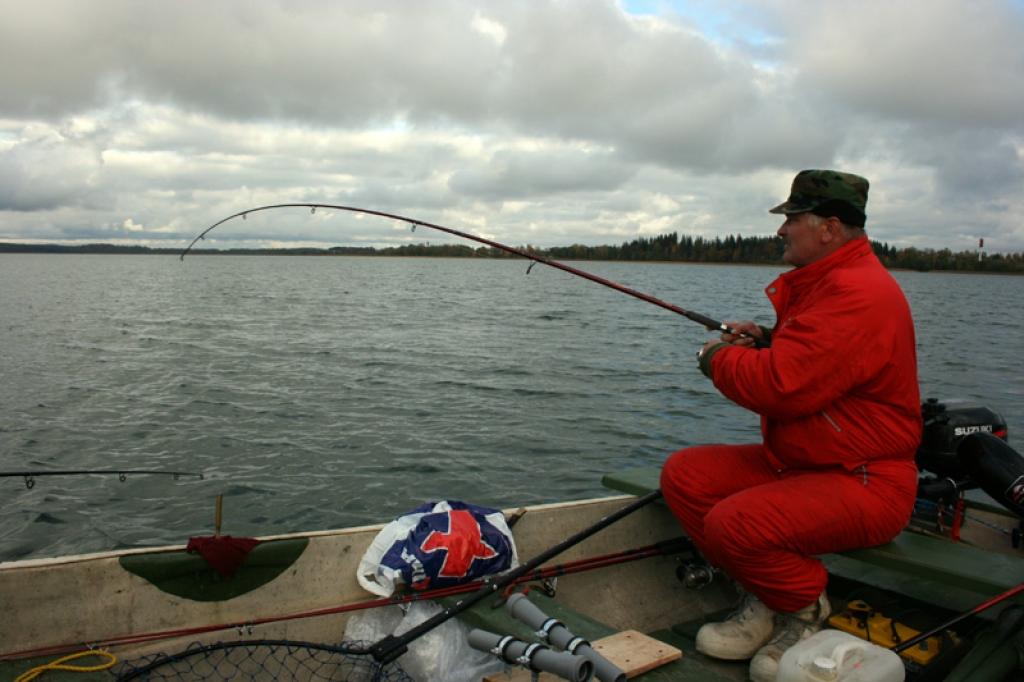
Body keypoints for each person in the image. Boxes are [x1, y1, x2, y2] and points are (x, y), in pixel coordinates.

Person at [660, 170, 921, 682]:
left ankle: (803, 610)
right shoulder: (832, 284)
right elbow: (813, 357)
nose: (783, 230)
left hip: (865, 479)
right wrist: (765, 338)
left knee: (735, 523)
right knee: (686, 476)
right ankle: (765, 596)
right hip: (805, 464)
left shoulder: (856, 293)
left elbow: (782, 387)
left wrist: (714, 357)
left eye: (792, 219)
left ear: (828, 228)